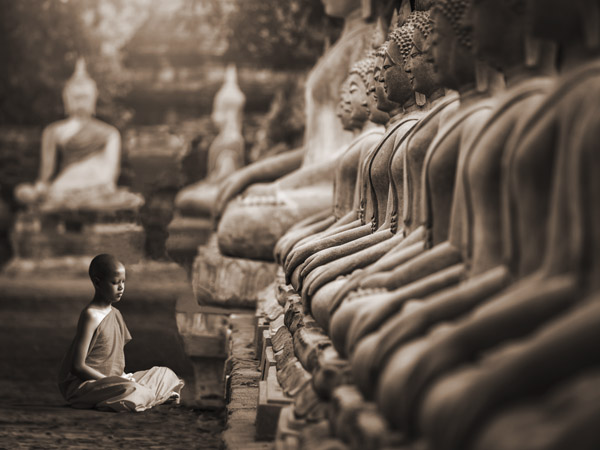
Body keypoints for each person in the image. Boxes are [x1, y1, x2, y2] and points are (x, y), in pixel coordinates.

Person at [58, 254, 184, 412]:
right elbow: (77, 367)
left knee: (165, 374)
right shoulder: (90, 315)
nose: (121, 288)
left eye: (123, 282)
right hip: (89, 385)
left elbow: (113, 361)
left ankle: (143, 397)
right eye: (115, 283)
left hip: (116, 382)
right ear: (97, 282)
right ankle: (148, 397)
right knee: (132, 390)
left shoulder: (115, 314)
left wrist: (123, 378)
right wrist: (111, 382)